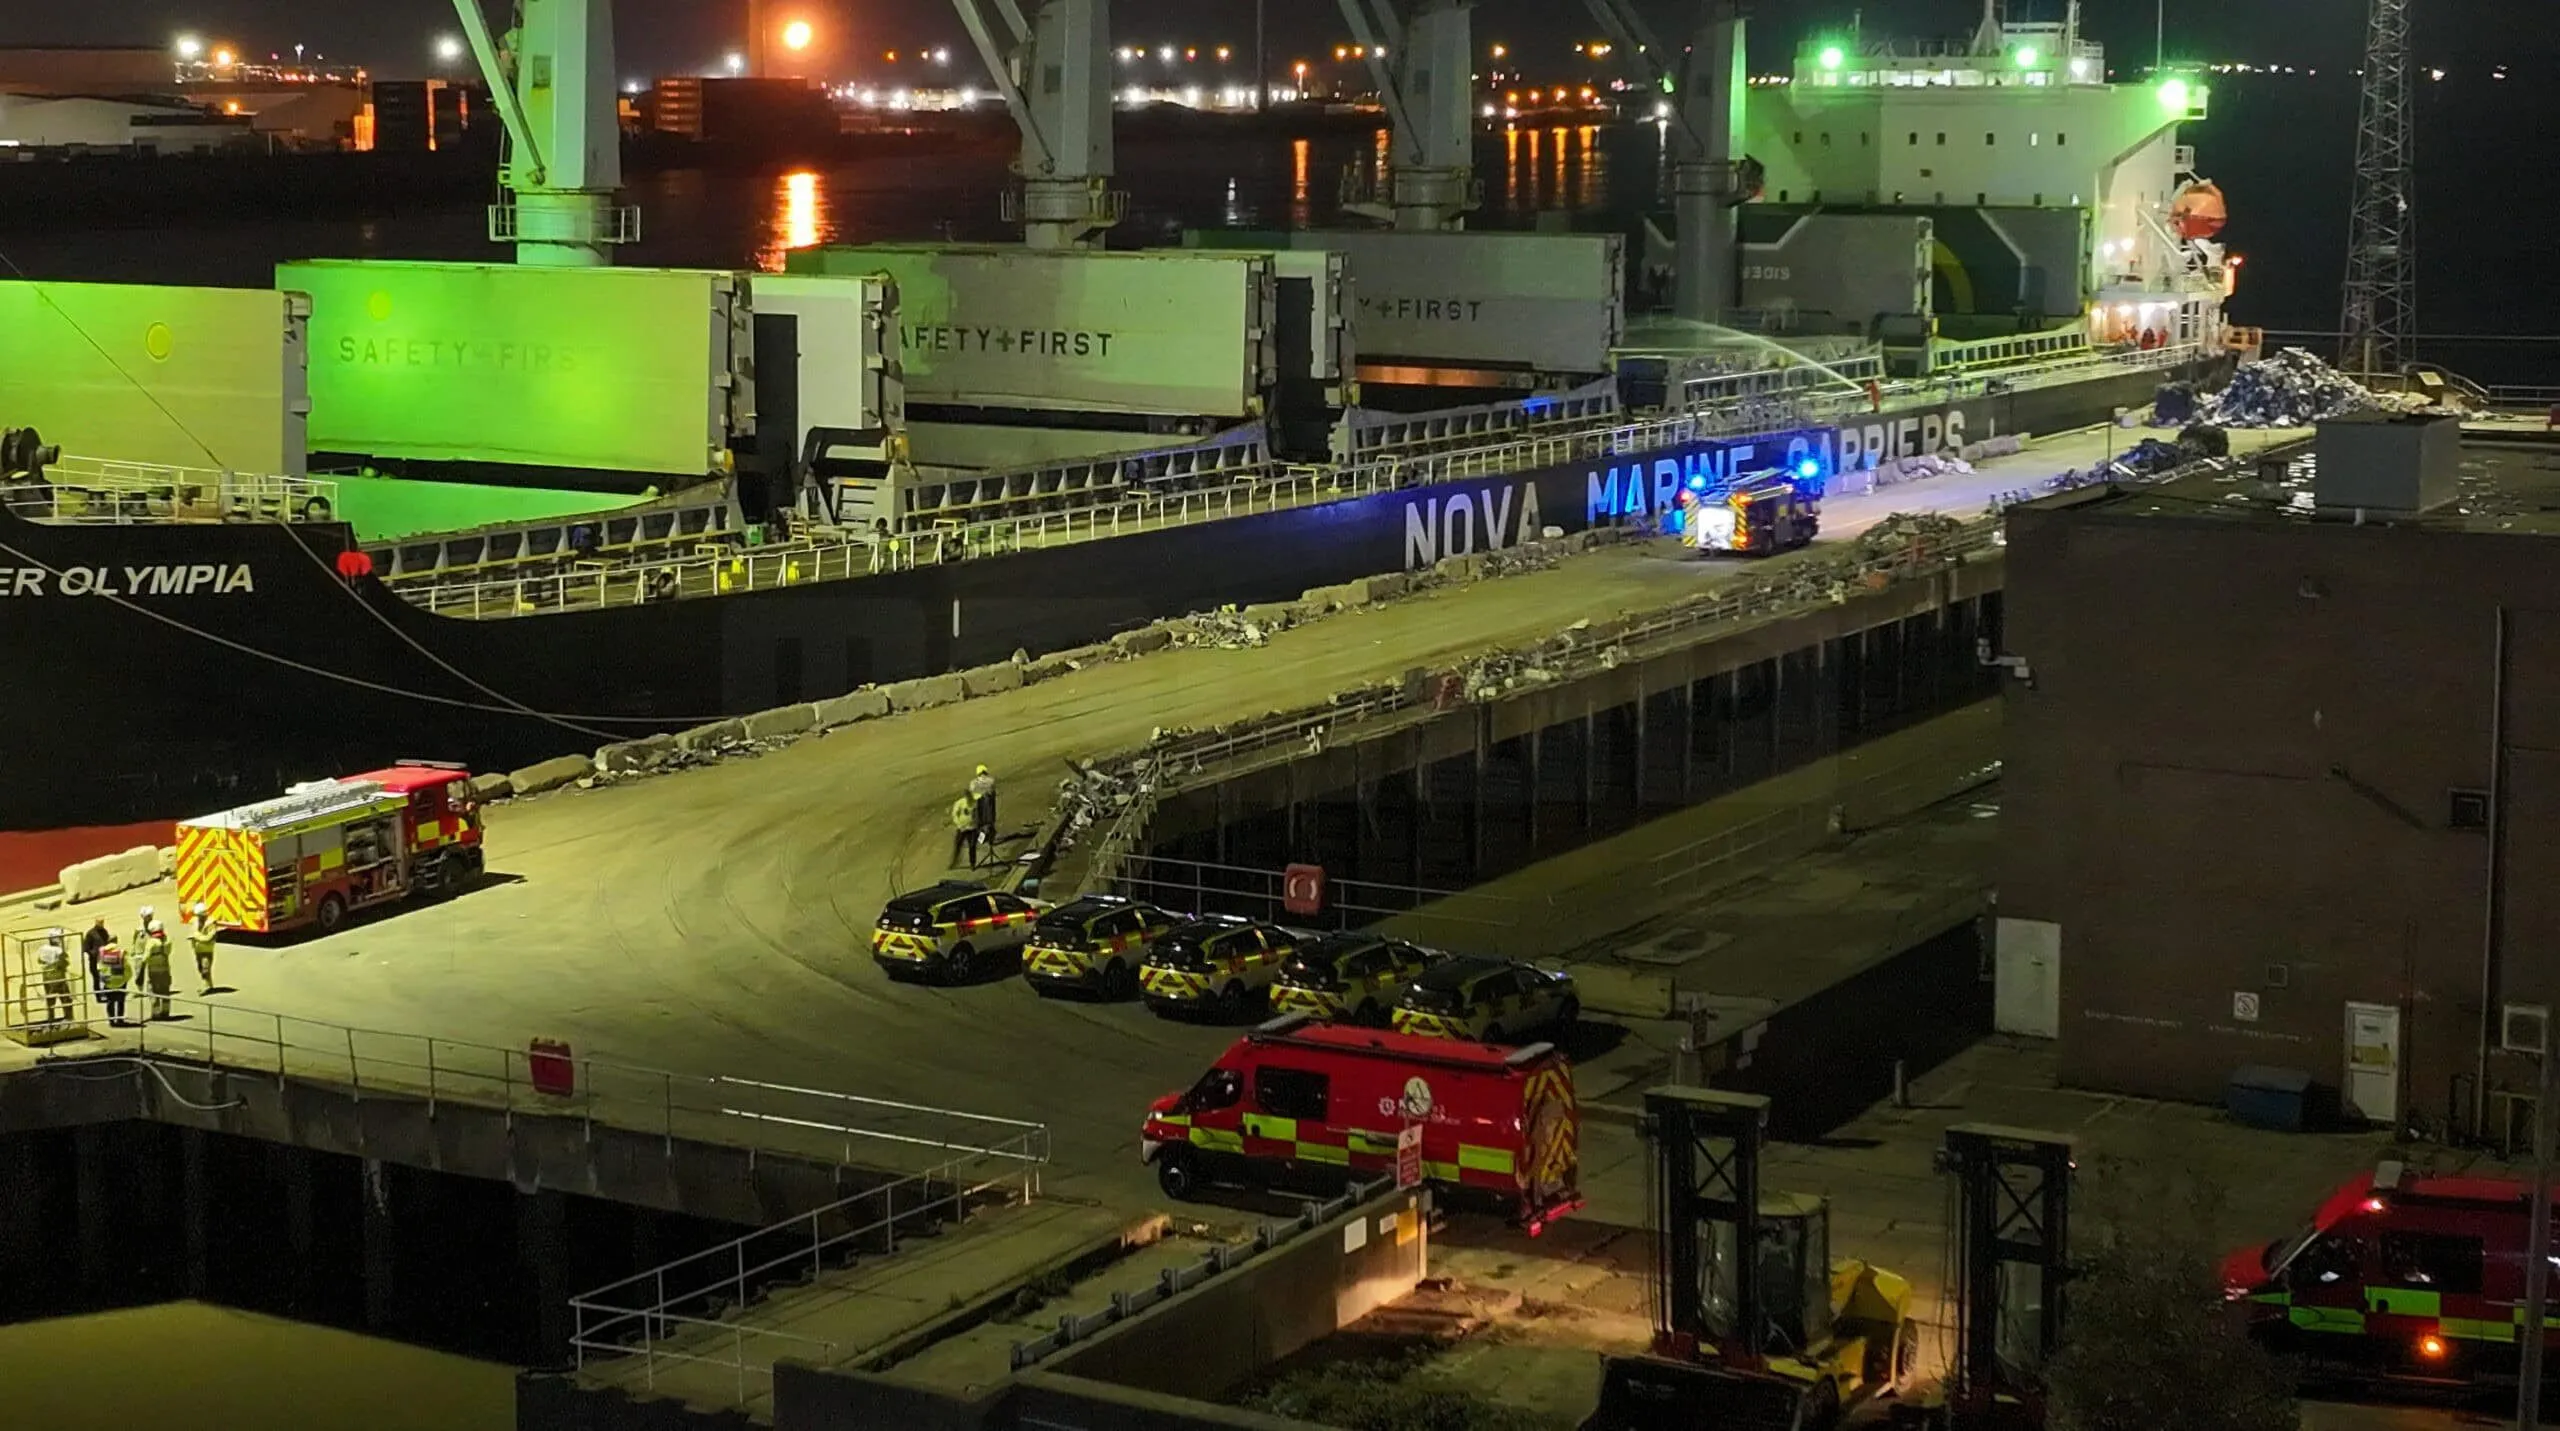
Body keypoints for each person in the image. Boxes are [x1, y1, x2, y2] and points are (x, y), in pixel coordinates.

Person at [139, 917, 174, 1022]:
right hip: (165, 969)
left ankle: (156, 1013)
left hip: (153, 971)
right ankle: (166, 1012)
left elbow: (145, 958)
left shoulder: (152, 942)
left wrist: (140, 973)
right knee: (165, 991)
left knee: (153, 991)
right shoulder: (167, 940)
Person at [37, 929, 73, 1024]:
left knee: (50, 1001)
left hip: (47, 978)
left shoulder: (43, 948)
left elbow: (39, 961)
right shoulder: (59, 950)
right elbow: (64, 963)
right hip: (58, 978)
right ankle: (69, 1019)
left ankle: (51, 1020)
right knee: (66, 999)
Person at [95, 938, 131, 1026]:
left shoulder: (102, 952)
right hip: (120, 981)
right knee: (120, 1001)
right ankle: (119, 1020)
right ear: (116, 941)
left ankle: (111, 1021)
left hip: (108, 981)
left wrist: (103, 979)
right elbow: (127, 968)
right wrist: (126, 979)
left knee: (110, 1002)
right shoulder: (121, 952)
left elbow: (99, 967)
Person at [969, 765, 998, 865]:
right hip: (989, 816)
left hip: (978, 817)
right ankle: (989, 842)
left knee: (973, 839)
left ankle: (972, 863)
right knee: (991, 831)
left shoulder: (973, 784)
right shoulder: (991, 781)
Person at [188, 903, 219, 994]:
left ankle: (206, 987)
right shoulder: (195, 921)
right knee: (201, 968)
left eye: (199, 915)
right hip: (197, 949)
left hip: (207, 950)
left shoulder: (211, 924)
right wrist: (192, 936)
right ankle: (209, 985)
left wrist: (196, 936)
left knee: (206, 968)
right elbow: (193, 931)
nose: (198, 917)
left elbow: (209, 938)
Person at [81, 916, 112, 991]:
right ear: (96, 923)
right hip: (94, 960)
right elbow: (86, 947)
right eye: (100, 922)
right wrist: (93, 954)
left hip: (104, 959)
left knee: (106, 976)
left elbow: (107, 942)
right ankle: (98, 994)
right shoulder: (91, 933)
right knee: (96, 977)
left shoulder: (104, 932)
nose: (101, 924)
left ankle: (107, 991)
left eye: (102, 922)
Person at [949, 793, 979, 869]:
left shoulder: (975, 804)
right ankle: (954, 862)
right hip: (962, 829)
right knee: (957, 845)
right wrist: (959, 825)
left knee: (972, 846)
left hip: (972, 829)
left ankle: (973, 863)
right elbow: (955, 815)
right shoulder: (960, 803)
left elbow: (978, 815)